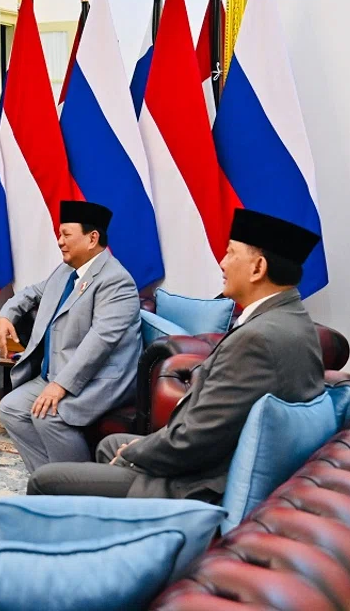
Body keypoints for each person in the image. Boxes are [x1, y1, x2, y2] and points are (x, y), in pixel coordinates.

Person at [29, 209, 325, 502]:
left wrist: (135, 453)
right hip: (211, 459)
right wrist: (139, 449)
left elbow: (195, 441)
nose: (222, 264)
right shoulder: (291, 319)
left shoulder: (257, 339)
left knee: (47, 481)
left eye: (231, 254)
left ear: (258, 268)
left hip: (199, 484)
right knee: (110, 445)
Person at [0, 200, 142, 476]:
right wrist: (5, 315)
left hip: (97, 380)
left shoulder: (116, 281)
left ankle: (79, 486)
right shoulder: (66, 271)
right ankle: (50, 481)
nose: (59, 242)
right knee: (11, 408)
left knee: (49, 416)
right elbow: (32, 293)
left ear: (92, 238)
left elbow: (100, 341)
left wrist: (61, 386)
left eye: (66, 235)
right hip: (56, 374)